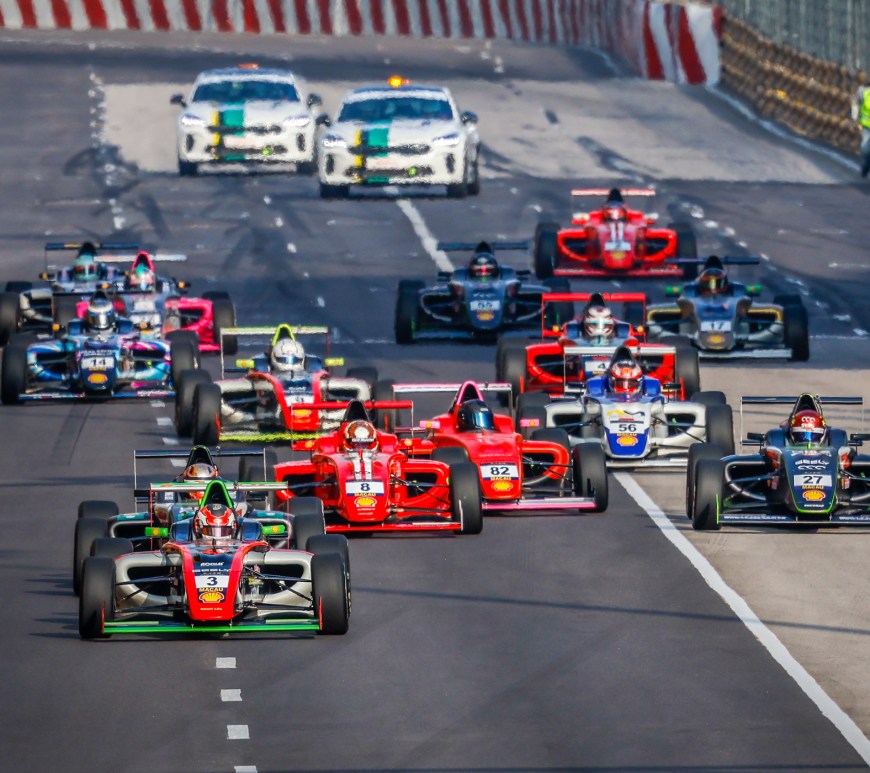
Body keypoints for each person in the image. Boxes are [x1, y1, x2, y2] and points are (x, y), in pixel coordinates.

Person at [852, 84, 870, 178]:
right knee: (865, 147)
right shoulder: (863, 90)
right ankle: (866, 165)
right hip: (866, 126)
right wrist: (855, 119)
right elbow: (856, 103)